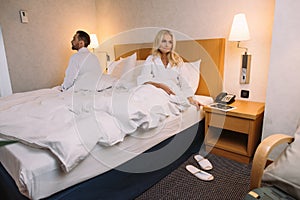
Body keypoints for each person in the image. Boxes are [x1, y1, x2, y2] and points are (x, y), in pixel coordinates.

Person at [137, 29, 202, 110]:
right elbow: (144, 78)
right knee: (141, 97)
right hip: (155, 89)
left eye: (170, 42)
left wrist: (191, 100)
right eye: (164, 41)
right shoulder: (151, 59)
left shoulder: (177, 60)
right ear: (158, 42)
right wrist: (160, 86)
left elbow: (184, 83)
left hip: (171, 92)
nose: (167, 45)